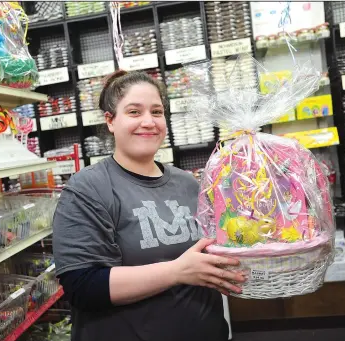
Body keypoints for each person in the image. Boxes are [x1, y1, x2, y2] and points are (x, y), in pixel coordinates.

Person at [53, 70, 245, 341]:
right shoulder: (87, 189)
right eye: (134, 112)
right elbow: (83, 286)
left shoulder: (189, 184)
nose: (149, 121)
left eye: (157, 112)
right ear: (110, 120)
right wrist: (178, 271)